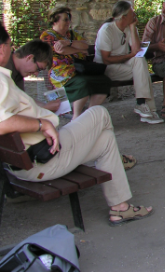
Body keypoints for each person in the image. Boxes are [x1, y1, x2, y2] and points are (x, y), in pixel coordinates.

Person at [0, 23, 153, 226]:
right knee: (99, 113)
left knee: (106, 140)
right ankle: (119, 164)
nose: (11, 50)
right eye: (10, 45)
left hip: (28, 161)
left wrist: (42, 112)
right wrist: (41, 124)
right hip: (43, 160)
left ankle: (120, 208)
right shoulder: (1, 79)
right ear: (2, 47)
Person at [94, 1, 163, 125]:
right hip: (107, 68)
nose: (135, 14)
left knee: (140, 62)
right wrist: (130, 55)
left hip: (124, 64)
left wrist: (132, 28)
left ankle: (142, 105)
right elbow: (106, 60)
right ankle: (149, 109)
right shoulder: (107, 30)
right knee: (142, 73)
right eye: (132, 12)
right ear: (124, 16)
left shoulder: (130, 27)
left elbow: (137, 51)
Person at [40, 6, 111, 119]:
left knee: (104, 81)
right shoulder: (47, 36)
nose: (69, 22)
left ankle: (89, 115)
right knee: (83, 83)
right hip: (61, 73)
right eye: (65, 19)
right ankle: (76, 117)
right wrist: (78, 49)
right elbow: (61, 50)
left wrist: (68, 42)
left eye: (69, 18)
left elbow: (85, 46)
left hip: (79, 69)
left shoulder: (72, 35)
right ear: (55, 20)